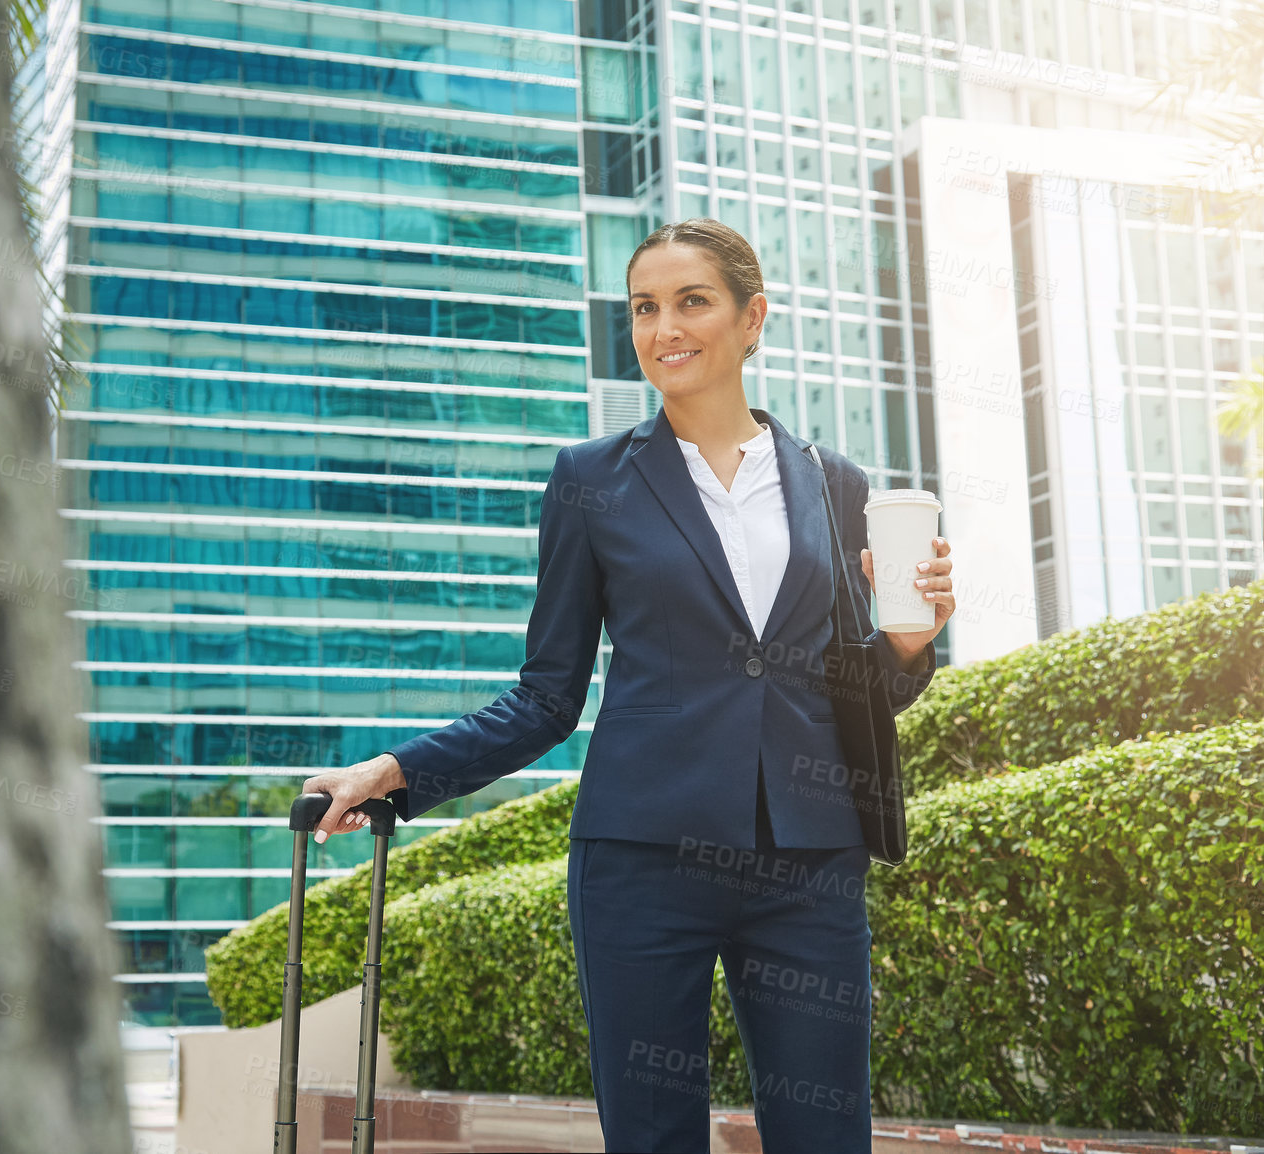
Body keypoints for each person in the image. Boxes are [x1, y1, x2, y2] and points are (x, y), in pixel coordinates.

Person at [302, 219, 956, 1152]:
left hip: (809, 862)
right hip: (644, 860)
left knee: (826, 1133)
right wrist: (397, 769)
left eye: (693, 301)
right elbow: (546, 696)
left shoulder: (832, 481)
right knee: (652, 1136)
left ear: (751, 318)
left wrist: (907, 645)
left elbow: (855, 695)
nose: (664, 328)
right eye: (645, 308)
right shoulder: (589, 481)